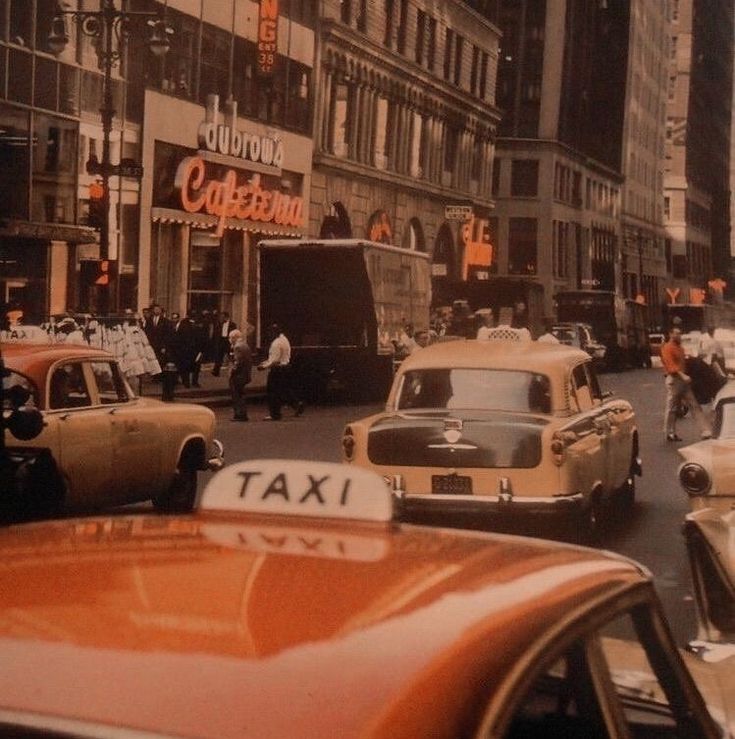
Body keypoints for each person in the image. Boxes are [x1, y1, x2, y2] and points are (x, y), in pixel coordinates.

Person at [661, 326, 712, 442]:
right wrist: (682, 375)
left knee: (694, 405)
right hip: (674, 380)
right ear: (670, 334)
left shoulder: (680, 348)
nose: (679, 336)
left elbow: (684, 363)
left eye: (680, 333)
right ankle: (669, 433)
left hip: (683, 382)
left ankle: (705, 430)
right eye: (676, 334)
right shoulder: (667, 348)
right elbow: (670, 365)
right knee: (672, 408)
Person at [257, 323, 304, 420]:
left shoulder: (276, 343)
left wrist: (263, 366)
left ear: (273, 332)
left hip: (277, 369)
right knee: (285, 389)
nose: (269, 335)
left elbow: (274, 360)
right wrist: (266, 362)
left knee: (273, 392)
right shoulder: (285, 340)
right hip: (286, 367)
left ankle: (275, 413)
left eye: (270, 332)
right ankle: (296, 404)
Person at [228, 329, 252, 422]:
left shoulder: (237, 347)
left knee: (237, 395)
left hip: (239, 376)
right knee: (241, 394)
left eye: (230, 338)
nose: (229, 339)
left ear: (234, 337)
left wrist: (231, 372)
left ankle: (239, 414)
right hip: (245, 374)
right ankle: (242, 413)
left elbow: (237, 362)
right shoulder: (245, 345)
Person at [212, 312, 237, 376]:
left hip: (228, 341)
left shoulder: (232, 324)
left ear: (226, 317)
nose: (221, 318)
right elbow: (216, 333)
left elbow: (234, 333)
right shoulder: (219, 324)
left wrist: (233, 343)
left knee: (231, 357)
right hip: (221, 341)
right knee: (219, 356)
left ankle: (234, 370)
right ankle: (216, 371)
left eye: (222, 317)